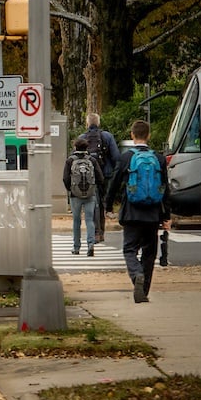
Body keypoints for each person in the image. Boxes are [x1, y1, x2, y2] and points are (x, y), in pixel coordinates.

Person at [106, 119, 170, 303]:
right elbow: (165, 188)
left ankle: (136, 275)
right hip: (153, 213)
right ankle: (144, 291)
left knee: (129, 249)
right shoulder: (158, 158)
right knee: (149, 252)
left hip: (132, 212)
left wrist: (108, 206)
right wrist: (167, 216)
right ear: (148, 135)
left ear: (132, 135)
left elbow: (114, 184)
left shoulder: (126, 158)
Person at [82, 112, 121, 242]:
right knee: (103, 203)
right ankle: (101, 233)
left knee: (94, 202)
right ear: (98, 123)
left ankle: (96, 233)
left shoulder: (82, 138)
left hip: (90, 176)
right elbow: (116, 157)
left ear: (87, 123)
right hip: (106, 174)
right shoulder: (107, 136)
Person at [63, 137, 105, 256]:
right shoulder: (92, 160)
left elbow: (65, 178)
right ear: (87, 148)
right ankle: (90, 245)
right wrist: (94, 187)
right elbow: (101, 178)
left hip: (75, 195)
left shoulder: (70, 160)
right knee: (89, 220)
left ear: (75, 147)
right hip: (90, 194)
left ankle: (76, 247)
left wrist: (71, 189)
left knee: (76, 221)